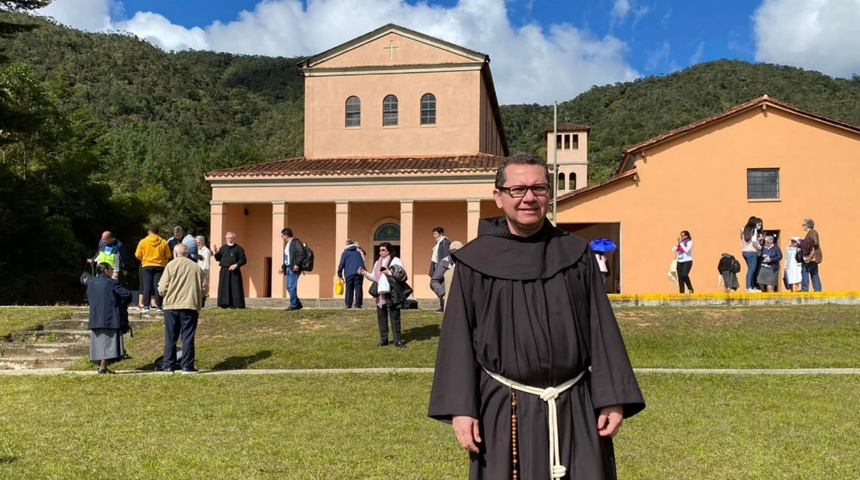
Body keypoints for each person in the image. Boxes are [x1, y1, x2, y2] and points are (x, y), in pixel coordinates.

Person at [428, 152, 645, 480]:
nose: (529, 198)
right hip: (504, 407)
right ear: (498, 197)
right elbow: (457, 339)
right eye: (517, 190)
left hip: (575, 406)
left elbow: (601, 329)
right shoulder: (474, 261)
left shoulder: (576, 254)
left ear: (549, 195)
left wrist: (612, 398)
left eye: (539, 189)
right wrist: (461, 407)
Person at [158, 243, 204, 374]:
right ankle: (187, 366)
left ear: (175, 253)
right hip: (190, 305)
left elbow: (162, 287)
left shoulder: (170, 265)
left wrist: (165, 294)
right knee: (188, 337)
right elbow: (203, 287)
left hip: (171, 306)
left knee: (170, 337)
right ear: (187, 253)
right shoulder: (196, 267)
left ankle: (168, 365)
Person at [86, 262, 131, 374]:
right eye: (111, 269)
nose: (112, 271)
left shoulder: (91, 283)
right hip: (110, 317)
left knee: (99, 342)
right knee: (108, 342)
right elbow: (127, 295)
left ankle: (103, 365)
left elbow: (87, 297)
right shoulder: (112, 283)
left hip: (95, 317)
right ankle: (102, 366)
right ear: (106, 270)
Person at [360, 241, 407, 348]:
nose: (381, 252)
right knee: (381, 317)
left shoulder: (396, 260)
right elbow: (374, 277)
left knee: (395, 317)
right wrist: (364, 273)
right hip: (380, 293)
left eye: (383, 250)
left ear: (389, 251)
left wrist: (389, 272)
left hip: (392, 292)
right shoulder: (377, 263)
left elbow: (401, 274)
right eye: (380, 250)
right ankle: (383, 339)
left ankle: (397, 340)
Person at [135, 225, 172, 313]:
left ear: (149, 231)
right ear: (158, 232)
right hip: (159, 265)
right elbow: (168, 255)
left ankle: (146, 306)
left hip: (147, 265)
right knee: (157, 286)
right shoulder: (163, 242)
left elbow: (137, 254)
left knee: (147, 286)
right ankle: (159, 306)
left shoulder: (143, 241)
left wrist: (144, 259)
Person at [213, 231, 246, 308]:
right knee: (224, 287)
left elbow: (243, 260)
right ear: (226, 238)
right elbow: (218, 259)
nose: (230, 240)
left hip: (235, 271)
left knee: (235, 287)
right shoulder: (223, 248)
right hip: (224, 271)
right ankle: (224, 304)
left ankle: (237, 304)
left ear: (234, 239)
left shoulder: (239, 249)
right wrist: (216, 252)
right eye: (228, 238)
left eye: (232, 238)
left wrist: (236, 265)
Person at [279, 228, 305, 311]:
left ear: (286, 235)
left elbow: (301, 253)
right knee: (288, 287)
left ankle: (294, 305)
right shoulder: (287, 244)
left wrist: (297, 264)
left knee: (291, 286)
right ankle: (297, 304)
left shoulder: (296, 242)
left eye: (282, 235)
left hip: (294, 268)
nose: (281, 237)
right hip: (288, 267)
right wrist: (283, 267)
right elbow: (287, 258)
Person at [337, 239, 366, 309]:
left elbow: (341, 264)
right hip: (359, 272)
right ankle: (358, 304)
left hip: (349, 273)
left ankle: (348, 304)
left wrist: (339, 274)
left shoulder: (345, 253)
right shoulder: (358, 252)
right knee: (358, 288)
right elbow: (363, 260)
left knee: (349, 288)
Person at [429, 227, 451, 313]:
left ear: (441, 233)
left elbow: (446, 256)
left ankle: (443, 304)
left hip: (442, 266)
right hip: (437, 266)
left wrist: (442, 267)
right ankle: (443, 304)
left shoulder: (445, 242)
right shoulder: (438, 243)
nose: (434, 236)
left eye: (436, 234)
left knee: (435, 283)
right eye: (434, 234)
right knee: (437, 285)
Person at [740, 216, 762, 292]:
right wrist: (759, 247)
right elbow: (754, 241)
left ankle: (752, 286)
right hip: (752, 251)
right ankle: (748, 287)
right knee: (751, 269)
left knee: (750, 269)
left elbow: (742, 239)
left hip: (744, 251)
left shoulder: (743, 229)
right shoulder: (754, 230)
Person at [800, 218, 823, 292]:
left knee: (805, 271)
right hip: (813, 256)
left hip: (811, 256)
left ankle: (805, 288)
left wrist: (804, 243)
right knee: (814, 272)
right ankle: (817, 288)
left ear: (807, 225)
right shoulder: (812, 233)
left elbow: (815, 243)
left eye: (803, 225)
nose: (803, 226)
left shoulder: (813, 232)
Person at [672, 230, 694, 294]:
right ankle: (681, 292)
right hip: (679, 261)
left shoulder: (689, 242)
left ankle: (690, 288)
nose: (681, 236)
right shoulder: (679, 243)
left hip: (687, 261)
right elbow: (673, 250)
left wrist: (681, 244)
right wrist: (677, 245)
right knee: (680, 277)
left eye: (682, 235)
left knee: (684, 275)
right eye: (680, 235)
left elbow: (686, 250)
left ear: (686, 236)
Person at [196, 235, 212, 306]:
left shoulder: (206, 251)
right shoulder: (197, 250)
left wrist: (204, 273)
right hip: (197, 271)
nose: (197, 244)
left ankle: (202, 303)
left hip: (203, 271)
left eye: (199, 242)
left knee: (203, 287)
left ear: (202, 242)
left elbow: (206, 264)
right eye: (196, 242)